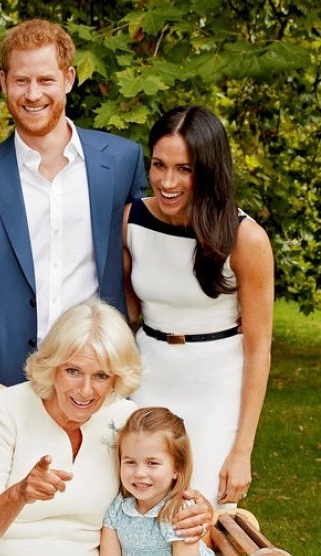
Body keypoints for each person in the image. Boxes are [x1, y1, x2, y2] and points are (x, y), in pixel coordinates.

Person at [0, 18, 147, 408]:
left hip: (100, 375)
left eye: (46, 80)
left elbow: (148, 256)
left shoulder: (121, 163)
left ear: (68, 79)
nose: (33, 94)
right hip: (2, 377)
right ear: (3, 81)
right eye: (21, 81)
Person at [0, 301, 212, 555]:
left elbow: (158, 489)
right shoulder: (5, 409)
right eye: (73, 371)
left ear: (116, 378)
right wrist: (19, 494)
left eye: (101, 376)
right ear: (53, 364)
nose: (86, 390)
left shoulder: (124, 418)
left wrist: (198, 510)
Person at [123, 105, 274, 508]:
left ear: (208, 170)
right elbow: (126, 314)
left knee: (198, 515)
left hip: (215, 390)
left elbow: (259, 349)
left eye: (184, 169)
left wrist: (241, 452)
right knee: (138, 511)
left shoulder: (245, 239)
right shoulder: (131, 221)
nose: (167, 181)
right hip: (148, 381)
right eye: (158, 165)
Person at [100, 407, 215, 556]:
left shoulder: (179, 512)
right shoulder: (117, 511)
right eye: (130, 462)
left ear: (176, 468)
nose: (139, 473)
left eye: (152, 463)